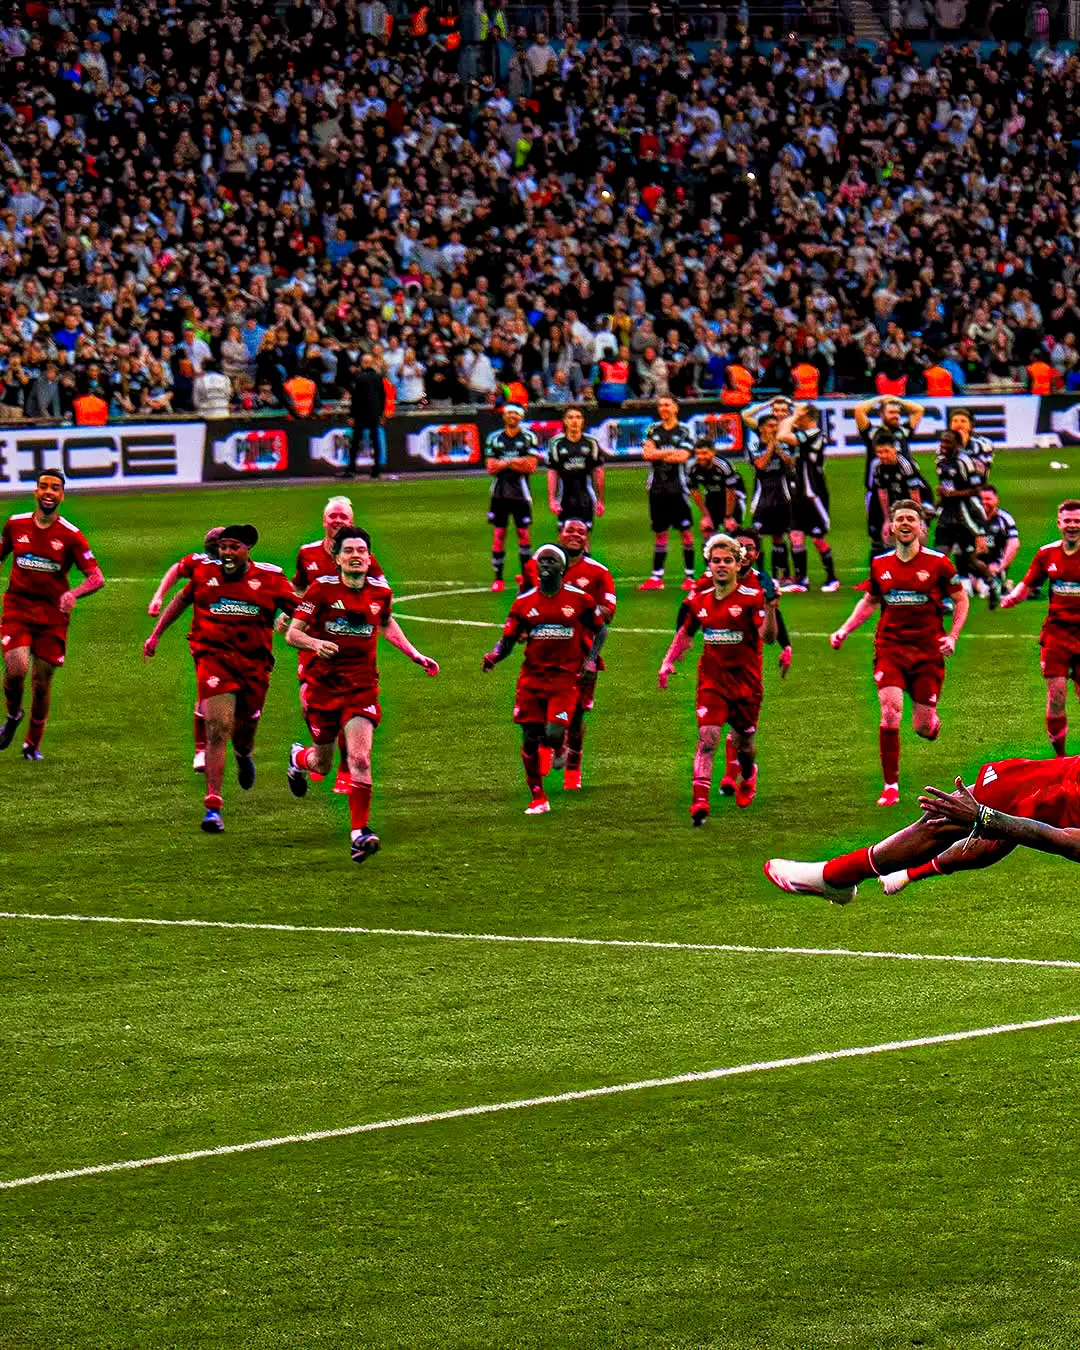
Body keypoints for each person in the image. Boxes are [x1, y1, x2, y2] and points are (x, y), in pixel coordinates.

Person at [285, 527, 439, 863]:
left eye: (362, 551)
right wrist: (314, 643)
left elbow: (385, 623)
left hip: (362, 686)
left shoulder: (380, 592)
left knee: (360, 758)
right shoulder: (322, 590)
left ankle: (359, 833)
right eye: (349, 550)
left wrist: (414, 654)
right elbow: (292, 634)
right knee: (322, 764)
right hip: (323, 686)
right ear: (338, 558)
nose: (356, 555)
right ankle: (298, 759)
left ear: (369, 558)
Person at [142, 524, 298, 833]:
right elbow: (182, 601)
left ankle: (243, 754)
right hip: (214, 659)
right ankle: (213, 806)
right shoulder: (203, 573)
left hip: (254, 665)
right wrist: (156, 635)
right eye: (223, 547)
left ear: (247, 550)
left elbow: (304, 608)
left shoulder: (270, 579)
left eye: (233, 547)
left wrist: (305, 628)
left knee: (243, 731)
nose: (226, 553)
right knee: (217, 727)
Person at [764, 758, 1080, 905]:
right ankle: (900, 873)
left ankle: (834, 877)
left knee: (947, 819)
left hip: (1062, 798)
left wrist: (984, 817)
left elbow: (1065, 842)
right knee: (986, 836)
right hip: (1063, 777)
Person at [830, 500, 969, 807]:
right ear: (891, 528)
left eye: (911, 519)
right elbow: (869, 601)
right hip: (890, 648)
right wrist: (844, 630)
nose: (905, 524)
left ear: (921, 527)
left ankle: (931, 723)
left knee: (922, 727)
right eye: (900, 519)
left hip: (927, 653)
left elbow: (961, 600)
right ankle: (890, 785)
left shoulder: (939, 564)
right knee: (890, 710)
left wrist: (953, 636)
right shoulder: (880, 564)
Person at [658, 533, 775, 822]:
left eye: (728, 561)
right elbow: (686, 633)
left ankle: (748, 774)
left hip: (746, 684)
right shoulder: (700, 600)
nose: (721, 565)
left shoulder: (752, 599)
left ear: (739, 565)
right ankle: (699, 804)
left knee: (744, 744)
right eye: (716, 561)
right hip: (712, 681)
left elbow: (767, 637)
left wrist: (772, 609)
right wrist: (668, 661)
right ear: (708, 565)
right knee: (707, 738)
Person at [482, 543, 606, 815]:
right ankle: (538, 796)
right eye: (541, 561)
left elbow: (601, 630)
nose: (545, 565)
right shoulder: (524, 603)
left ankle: (560, 747)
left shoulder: (579, 600)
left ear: (562, 567)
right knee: (529, 738)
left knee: (552, 734)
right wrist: (493, 656)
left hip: (564, 680)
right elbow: (509, 640)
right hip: (531, 680)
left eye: (551, 561)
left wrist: (590, 659)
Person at [0, 471, 105, 760]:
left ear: (62, 495)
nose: (49, 492)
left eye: (55, 488)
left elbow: (96, 577)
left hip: (52, 616)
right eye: (44, 487)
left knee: (42, 682)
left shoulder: (71, 535)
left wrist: (73, 593)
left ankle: (33, 744)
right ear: (35, 492)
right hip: (18, 608)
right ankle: (12, 716)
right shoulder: (15, 525)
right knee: (16, 668)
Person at [293, 497, 385, 794]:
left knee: (354, 713)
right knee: (317, 705)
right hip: (313, 646)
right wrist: (289, 615)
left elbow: (381, 601)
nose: (337, 520)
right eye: (332, 515)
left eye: (343, 516)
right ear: (324, 521)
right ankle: (311, 756)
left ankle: (347, 772)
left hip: (353, 653)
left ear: (351, 520)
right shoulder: (307, 554)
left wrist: (412, 653)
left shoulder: (364, 557)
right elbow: (297, 591)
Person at [519, 518, 617, 789]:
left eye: (581, 532)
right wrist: (523, 630)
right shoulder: (539, 564)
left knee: (575, 716)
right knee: (537, 712)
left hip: (581, 652)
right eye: (570, 530)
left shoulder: (598, 573)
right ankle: (551, 748)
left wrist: (578, 608)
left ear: (587, 539)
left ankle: (573, 769)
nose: (575, 535)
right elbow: (524, 601)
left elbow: (608, 614)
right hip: (544, 652)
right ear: (560, 535)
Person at [1000, 501, 1080, 757]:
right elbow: (1028, 583)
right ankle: (1060, 759)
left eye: (1077, 521)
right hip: (1056, 635)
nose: (1072, 525)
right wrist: (1012, 598)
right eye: (1067, 521)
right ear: (1059, 524)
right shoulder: (1047, 554)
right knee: (1056, 697)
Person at [147, 525, 225, 771]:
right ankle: (201, 750)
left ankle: (238, 748)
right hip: (205, 642)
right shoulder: (200, 566)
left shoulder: (245, 569)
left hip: (240, 644)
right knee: (206, 694)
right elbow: (177, 575)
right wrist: (159, 595)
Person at [638, 395, 697, 592]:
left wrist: (659, 453)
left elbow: (683, 456)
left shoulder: (685, 430)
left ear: (676, 408)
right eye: (660, 405)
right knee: (660, 534)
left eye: (667, 405)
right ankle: (657, 577)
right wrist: (668, 453)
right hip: (657, 489)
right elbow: (647, 455)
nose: (663, 408)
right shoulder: (652, 429)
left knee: (686, 534)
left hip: (678, 488)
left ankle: (689, 576)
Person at [777, 404, 839, 593]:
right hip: (799, 493)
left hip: (814, 494)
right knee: (796, 535)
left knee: (817, 538)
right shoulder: (806, 435)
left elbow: (782, 435)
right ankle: (801, 580)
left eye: (800, 413)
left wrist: (793, 417)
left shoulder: (814, 434)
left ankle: (832, 578)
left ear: (807, 416)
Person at [485, 402, 540, 593]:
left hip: (521, 493)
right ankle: (498, 578)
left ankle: (526, 577)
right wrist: (516, 461)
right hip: (499, 492)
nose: (511, 416)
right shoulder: (494, 438)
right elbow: (490, 467)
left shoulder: (528, 437)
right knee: (499, 535)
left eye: (515, 414)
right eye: (508, 413)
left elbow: (531, 466)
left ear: (521, 417)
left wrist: (504, 462)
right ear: (504, 416)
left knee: (523, 535)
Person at [746, 410, 795, 583]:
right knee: (757, 536)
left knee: (779, 537)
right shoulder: (753, 446)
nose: (774, 429)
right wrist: (770, 446)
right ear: (761, 428)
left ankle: (781, 575)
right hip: (762, 499)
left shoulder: (784, 444)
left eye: (776, 426)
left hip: (782, 497)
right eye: (770, 426)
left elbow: (790, 463)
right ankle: (758, 575)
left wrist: (777, 445)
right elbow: (760, 464)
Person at [934, 428, 987, 586]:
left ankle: (991, 581)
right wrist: (935, 508)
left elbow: (977, 489)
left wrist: (953, 494)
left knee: (970, 556)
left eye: (948, 442)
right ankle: (943, 594)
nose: (943, 445)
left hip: (966, 512)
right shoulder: (940, 462)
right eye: (942, 441)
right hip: (948, 512)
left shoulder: (965, 462)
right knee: (940, 553)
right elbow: (946, 489)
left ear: (957, 444)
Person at [854, 394, 926, 500]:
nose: (896, 416)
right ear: (882, 414)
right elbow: (859, 410)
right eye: (891, 412)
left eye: (897, 413)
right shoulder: (872, 433)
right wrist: (881, 398)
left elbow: (919, 410)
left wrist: (897, 400)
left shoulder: (903, 431)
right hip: (877, 488)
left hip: (903, 486)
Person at [867, 430, 924, 561]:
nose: (882, 456)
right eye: (879, 452)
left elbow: (915, 494)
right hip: (894, 505)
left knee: (912, 541)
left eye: (886, 451)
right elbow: (883, 494)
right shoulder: (879, 468)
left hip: (911, 504)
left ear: (895, 450)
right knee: (887, 538)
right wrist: (887, 519)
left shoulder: (906, 465)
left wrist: (919, 519)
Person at [545, 405, 605, 527]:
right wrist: (552, 499)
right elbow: (552, 472)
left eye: (578, 417)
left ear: (582, 421)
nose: (574, 421)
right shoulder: (555, 443)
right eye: (570, 417)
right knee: (564, 535)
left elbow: (598, 471)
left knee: (583, 536)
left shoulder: (591, 443)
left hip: (586, 497)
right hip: (564, 498)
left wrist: (600, 500)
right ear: (565, 421)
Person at [688, 439, 746, 538]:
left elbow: (731, 492)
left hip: (734, 498)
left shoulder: (723, 466)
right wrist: (706, 516)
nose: (701, 457)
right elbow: (694, 491)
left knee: (732, 531)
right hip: (712, 495)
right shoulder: (693, 468)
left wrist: (728, 517)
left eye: (704, 453)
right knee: (707, 530)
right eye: (697, 453)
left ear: (713, 452)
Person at [978, 485, 1020, 610]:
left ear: (996, 500)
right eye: (981, 499)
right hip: (972, 564)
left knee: (984, 589)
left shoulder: (1004, 518)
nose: (984, 502)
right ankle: (1004, 587)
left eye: (988, 499)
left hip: (995, 562)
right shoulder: (970, 518)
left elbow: (1014, 543)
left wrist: (1001, 565)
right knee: (970, 588)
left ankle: (999, 585)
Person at [349, 353, 387, 478]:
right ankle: (376, 469)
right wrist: (381, 413)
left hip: (361, 413)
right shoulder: (378, 377)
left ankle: (351, 468)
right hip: (374, 413)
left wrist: (352, 415)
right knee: (375, 440)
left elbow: (356, 398)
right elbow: (382, 396)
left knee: (355, 441)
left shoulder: (360, 378)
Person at [948, 407, 995, 478]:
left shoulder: (983, 443)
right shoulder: (945, 444)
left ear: (971, 425)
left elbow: (983, 472)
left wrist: (962, 446)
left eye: (963, 421)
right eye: (955, 421)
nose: (958, 424)